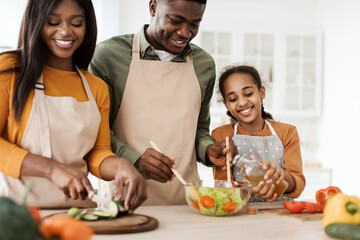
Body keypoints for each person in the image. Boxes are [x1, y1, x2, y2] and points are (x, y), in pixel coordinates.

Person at [0, 0, 147, 211]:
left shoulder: (96, 88)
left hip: (77, 213)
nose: (65, 31)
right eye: (53, 22)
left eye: (76, 23)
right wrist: (51, 169)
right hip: (19, 214)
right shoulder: (10, 70)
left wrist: (123, 166)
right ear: (36, 22)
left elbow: (98, 153)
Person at [89, 0, 236, 205]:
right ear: (153, 7)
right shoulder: (107, 56)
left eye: (195, 24)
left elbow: (199, 129)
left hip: (185, 201)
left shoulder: (204, 65)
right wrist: (135, 160)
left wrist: (208, 150)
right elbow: (96, 133)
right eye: (176, 20)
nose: (185, 33)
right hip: (123, 201)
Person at [211, 65, 305, 202]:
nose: (242, 102)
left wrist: (281, 176)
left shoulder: (287, 132)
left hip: (281, 214)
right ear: (226, 105)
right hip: (240, 215)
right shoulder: (221, 135)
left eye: (248, 94)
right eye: (233, 99)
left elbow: (298, 186)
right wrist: (248, 190)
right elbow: (223, 189)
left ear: (261, 92)